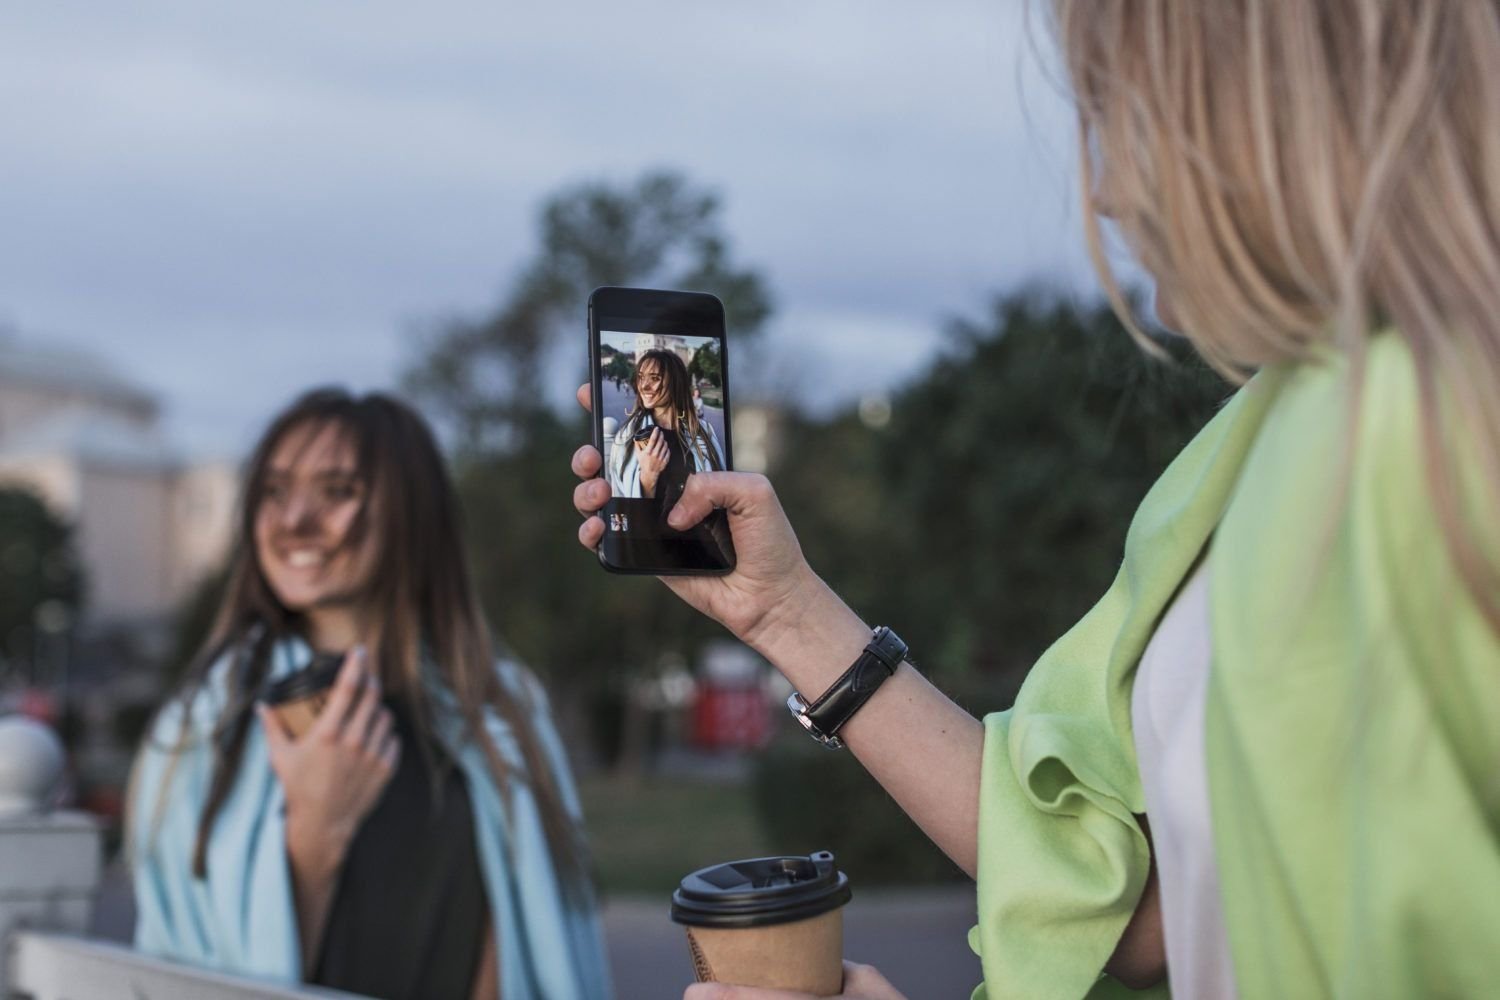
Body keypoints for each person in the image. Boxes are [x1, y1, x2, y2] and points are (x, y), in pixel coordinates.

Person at [572, 2, 1500, 997]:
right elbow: (1140, 900)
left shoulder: (1402, 434)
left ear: (1272, 106)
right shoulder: (1264, 439)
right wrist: (783, 609)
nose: (1104, 191)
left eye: (1125, 113)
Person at [130, 388, 611, 1000]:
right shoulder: (201, 726)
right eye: (274, 492)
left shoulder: (502, 710)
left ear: (411, 514)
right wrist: (317, 828)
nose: (293, 521)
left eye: (337, 492)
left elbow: (534, 946)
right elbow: (188, 972)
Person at [609, 349, 725, 506]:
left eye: (655, 378)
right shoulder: (627, 435)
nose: (644, 386)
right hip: (650, 530)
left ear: (675, 382)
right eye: (641, 378)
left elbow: (722, 489)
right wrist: (649, 476)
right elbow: (620, 503)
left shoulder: (704, 431)